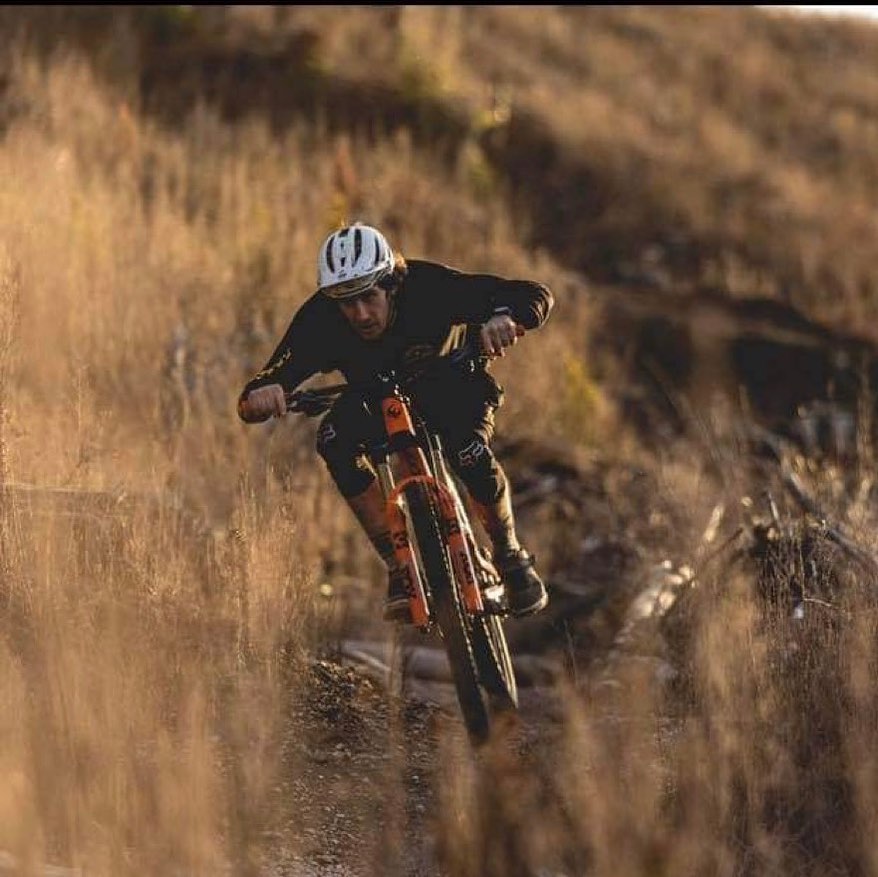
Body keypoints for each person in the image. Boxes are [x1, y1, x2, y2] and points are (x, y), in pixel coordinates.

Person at [237, 222, 553, 623]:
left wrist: (504, 318)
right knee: (334, 439)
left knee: (469, 453)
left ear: (391, 283)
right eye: (346, 303)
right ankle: (398, 565)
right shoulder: (321, 318)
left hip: (450, 382)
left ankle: (508, 553)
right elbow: (263, 385)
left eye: (368, 297)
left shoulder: (428, 286)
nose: (360, 314)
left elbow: (533, 295)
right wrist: (264, 396)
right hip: (374, 401)